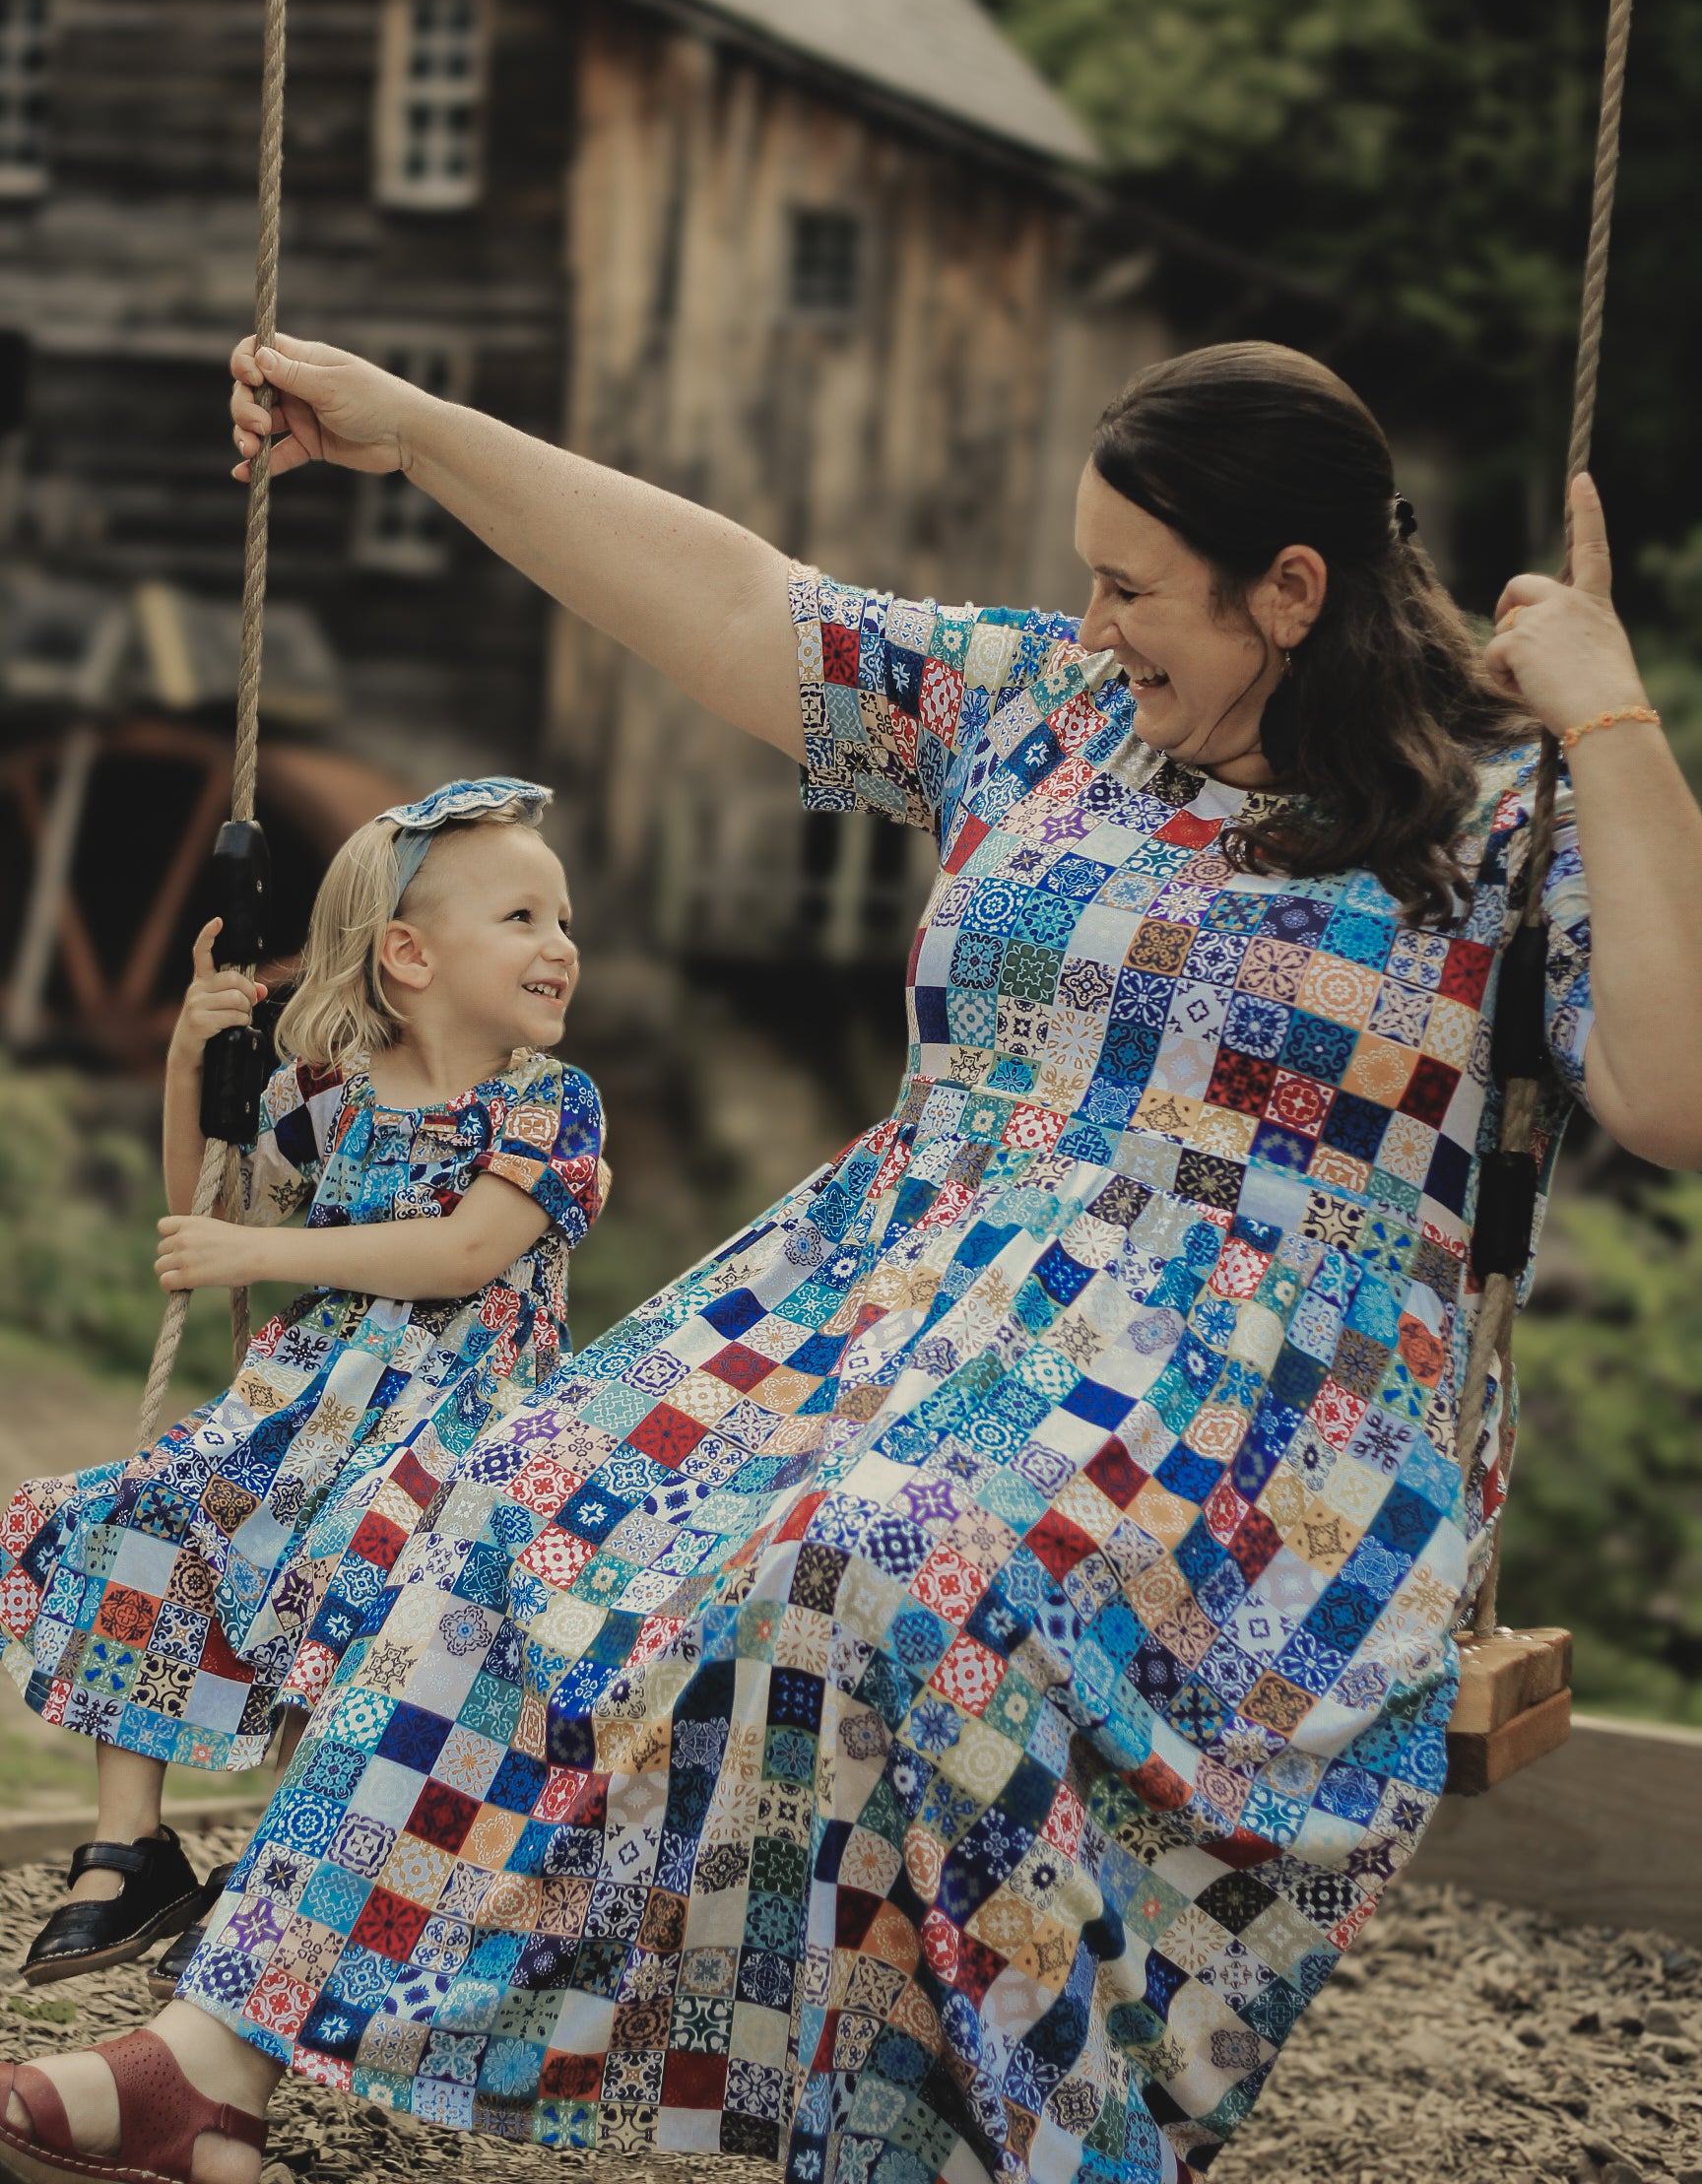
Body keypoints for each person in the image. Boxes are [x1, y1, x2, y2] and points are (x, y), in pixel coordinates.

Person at [2, 338, 1698, 2184]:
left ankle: (1007, 2147)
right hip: (883, 1306)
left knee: (895, 1566)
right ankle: (210, 2060)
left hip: (1250, 1405)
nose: (1095, 617)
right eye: (1087, 575)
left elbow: (1669, 1090)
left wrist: (1606, 712)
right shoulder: (1051, 708)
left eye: (1132, 586)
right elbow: (748, 603)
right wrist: (412, 434)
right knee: (529, 1485)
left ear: (1287, 592)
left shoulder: (1500, 808)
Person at [0, 778, 607, 2008]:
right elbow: (210, 1210)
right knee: (151, 1514)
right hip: (306, 1399)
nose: (562, 945)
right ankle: (133, 1849)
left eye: (564, 919)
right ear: (409, 954)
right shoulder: (327, 1096)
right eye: (525, 917)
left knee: (361, 1564)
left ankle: (291, 1875)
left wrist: (259, 1257)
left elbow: (462, 1256)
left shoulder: (551, 1100)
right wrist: (188, 1063)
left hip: (462, 1411)